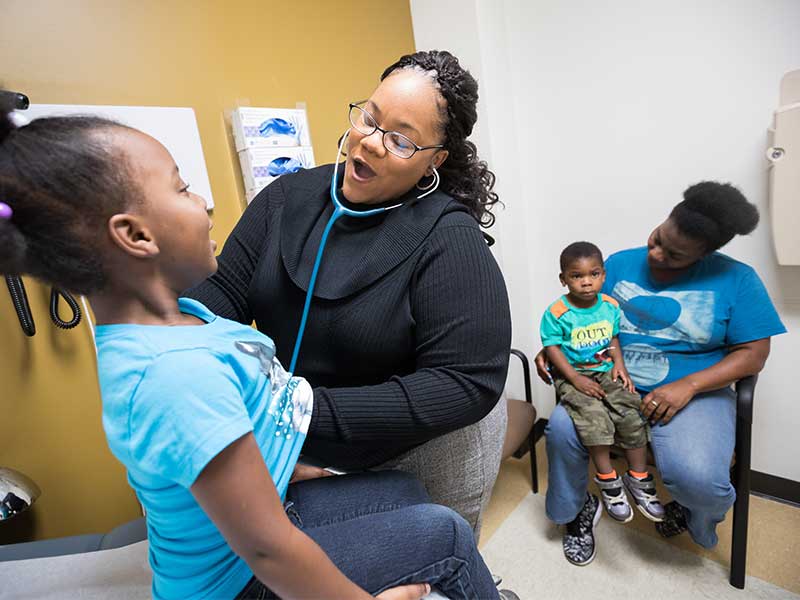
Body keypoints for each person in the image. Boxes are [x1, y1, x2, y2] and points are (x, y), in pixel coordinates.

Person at [0, 103, 506, 599]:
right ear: (134, 236)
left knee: (403, 492)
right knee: (447, 535)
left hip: (266, 512)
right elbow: (269, 551)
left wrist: (288, 462)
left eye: (400, 137)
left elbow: (243, 426)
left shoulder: (189, 319)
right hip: (240, 581)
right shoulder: (174, 373)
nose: (204, 202)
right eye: (182, 189)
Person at [188, 50, 512, 537]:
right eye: (369, 118)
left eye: (401, 139)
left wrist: (296, 415)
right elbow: (222, 291)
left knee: (431, 568)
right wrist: (177, 346)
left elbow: (466, 382)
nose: (372, 143)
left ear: (434, 162)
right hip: (287, 433)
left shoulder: (449, 239)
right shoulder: (284, 199)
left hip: (409, 448)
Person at [536, 182, 786, 566]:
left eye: (674, 255)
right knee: (562, 433)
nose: (656, 253)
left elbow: (754, 354)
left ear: (706, 254)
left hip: (694, 394)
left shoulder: (738, 279)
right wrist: (555, 349)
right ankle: (576, 509)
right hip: (609, 381)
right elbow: (580, 318)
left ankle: (689, 513)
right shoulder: (616, 264)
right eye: (658, 238)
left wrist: (689, 385)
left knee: (700, 480)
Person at [540, 241, 665, 565]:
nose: (586, 281)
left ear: (603, 275)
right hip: (574, 377)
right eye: (576, 275)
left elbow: (612, 340)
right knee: (594, 420)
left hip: (607, 373)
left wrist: (619, 366)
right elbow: (553, 349)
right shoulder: (556, 313)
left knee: (631, 413)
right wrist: (575, 380)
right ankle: (608, 482)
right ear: (563, 279)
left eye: (593, 274)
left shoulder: (609, 305)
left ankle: (638, 478)